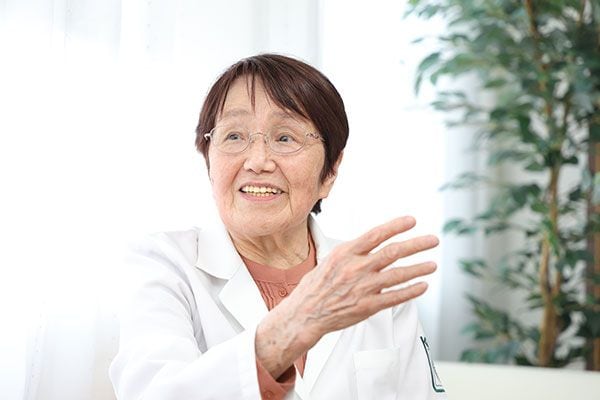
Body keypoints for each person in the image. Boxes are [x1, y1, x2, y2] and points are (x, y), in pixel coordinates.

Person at [109, 54, 447, 400]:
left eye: (285, 138)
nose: (257, 162)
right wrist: (291, 327)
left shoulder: (367, 279)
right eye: (234, 136)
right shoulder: (163, 264)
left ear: (330, 170)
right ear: (208, 160)